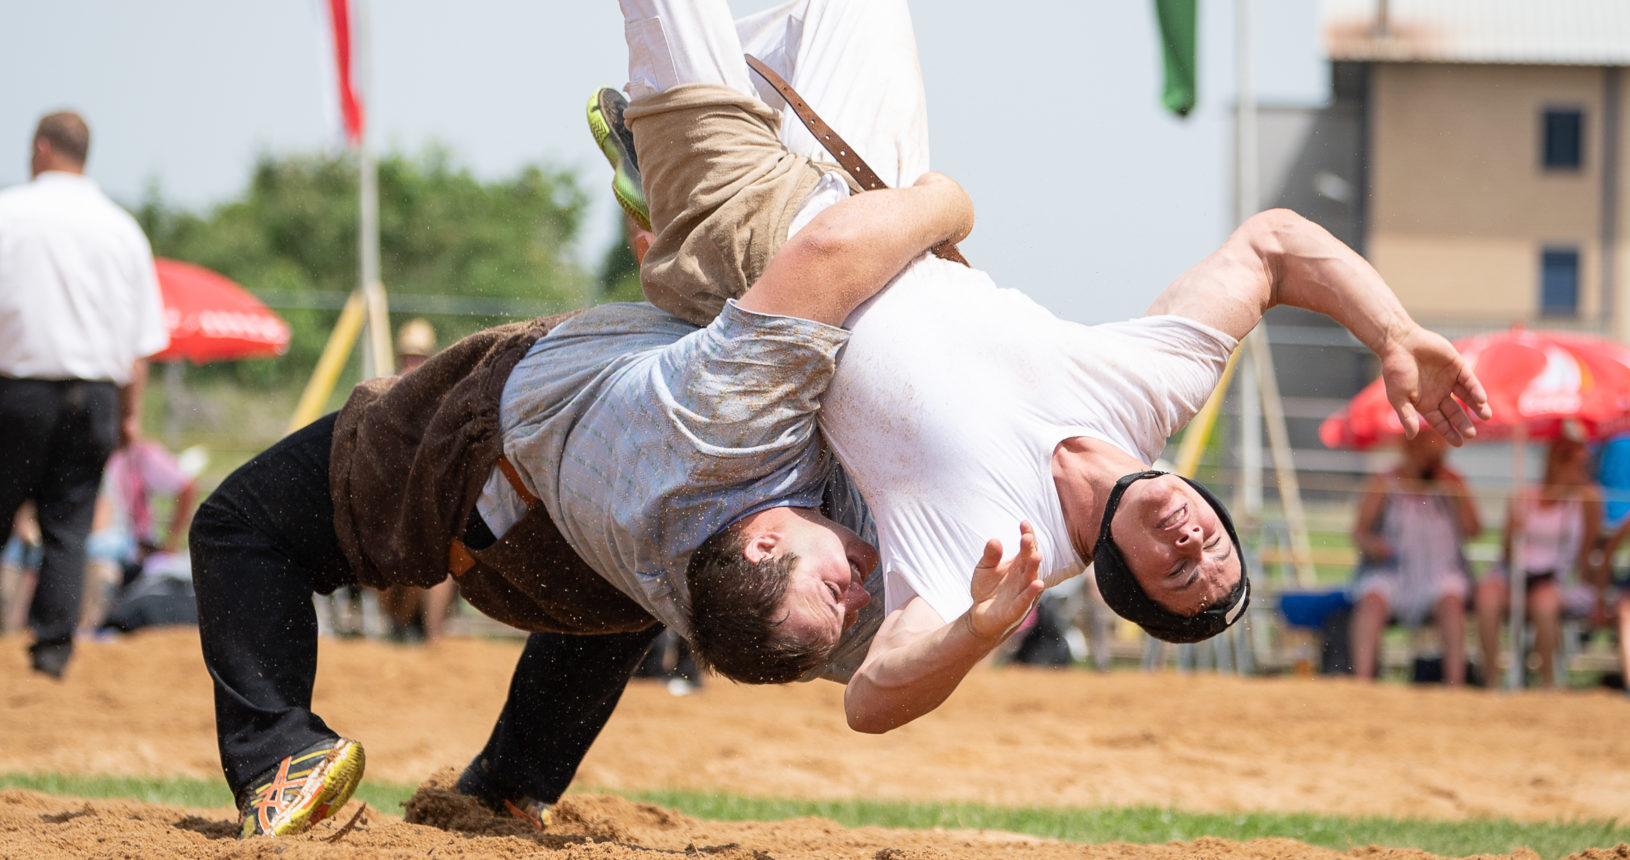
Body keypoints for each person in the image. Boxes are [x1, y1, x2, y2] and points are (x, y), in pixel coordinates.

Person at [601, 0, 1487, 733]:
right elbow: (1274, 247)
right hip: (884, 191)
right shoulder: (1152, 390)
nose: (1190, 540)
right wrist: (1395, 333)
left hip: (764, 254)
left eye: (1178, 570)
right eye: (1210, 541)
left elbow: (869, 704)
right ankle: (684, 140)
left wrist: (973, 633)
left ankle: (670, 172)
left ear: (1119, 579)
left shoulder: (997, 556)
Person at [187, 79, 972, 838]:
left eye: (842, 590)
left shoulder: (722, 428)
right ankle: (509, 788)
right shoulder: (810, 598)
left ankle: (279, 760)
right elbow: (891, 662)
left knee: (239, 523)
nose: (864, 588)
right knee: (690, 592)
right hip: (603, 583)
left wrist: (946, 204)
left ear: (767, 542)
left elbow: (830, 250)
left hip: (488, 483)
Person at [0, 111, 169, 678]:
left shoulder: (10, 212)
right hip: (94, 395)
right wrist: (129, 417)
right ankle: (51, 653)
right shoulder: (121, 228)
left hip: (17, 391)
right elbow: (140, 344)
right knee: (69, 526)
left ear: (42, 148)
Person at [1345, 431, 1479, 684]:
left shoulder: (1452, 483)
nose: (1432, 462)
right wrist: (1375, 546)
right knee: (1371, 603)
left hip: (1440, 573)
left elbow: (1473, 530)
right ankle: (1362, 682)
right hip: (1393, 571)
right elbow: (1359, 532)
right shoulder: (1385, 481)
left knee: (1452, 604)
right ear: (1409, 449)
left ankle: (1455, 685)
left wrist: (1457, 494)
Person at [1476, 425, 1604, 688]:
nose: (1582, 469)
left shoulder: (1587, 500)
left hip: (1555, 578)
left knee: (1544, 605)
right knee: (1486, 596)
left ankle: (1547, 683)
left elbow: (1586, 553)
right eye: (1575, 462)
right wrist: (1515, 531)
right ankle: (1491, 679)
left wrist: (1595, 591)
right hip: (1517, 574)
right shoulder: (1525, 496)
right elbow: (1506, 553)